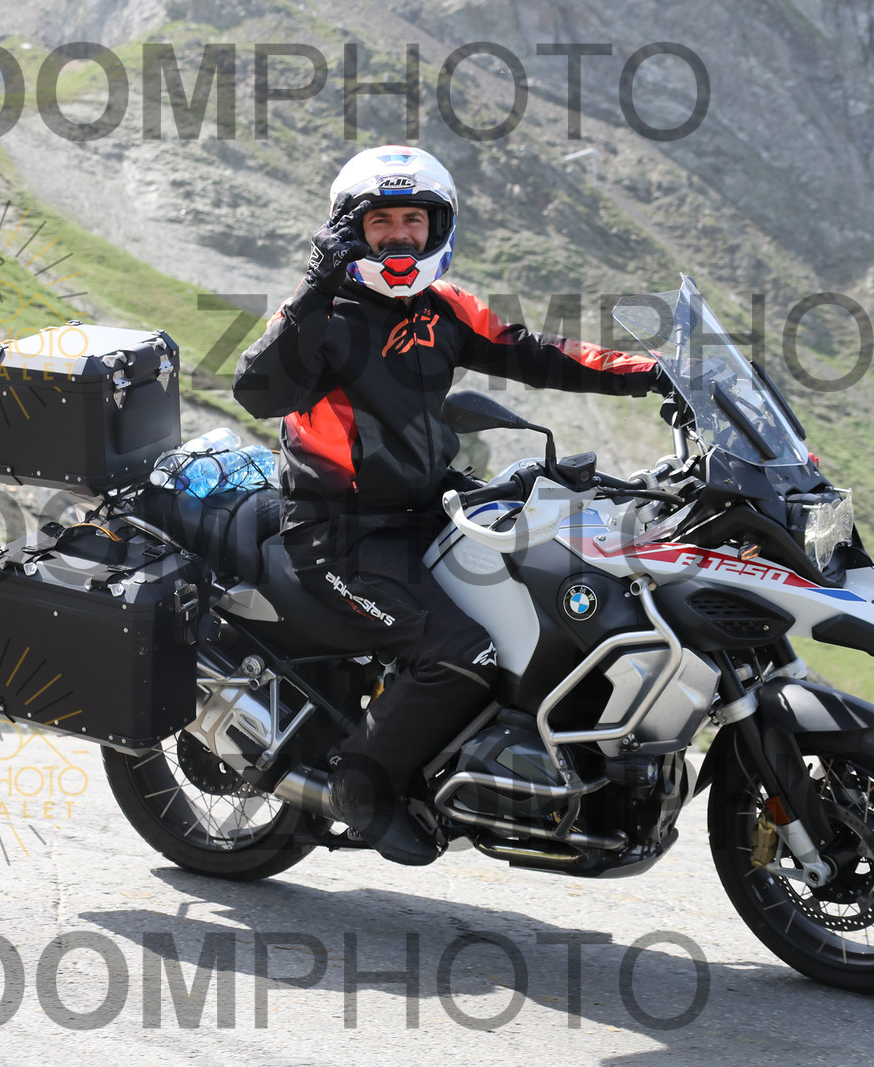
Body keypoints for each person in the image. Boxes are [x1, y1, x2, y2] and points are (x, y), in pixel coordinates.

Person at [232, 145, 665, 865]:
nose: (399, 236)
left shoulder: (446, 307)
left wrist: (652, 374)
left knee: (545, 601)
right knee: (462, 652)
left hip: (429, 511)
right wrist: (314, 285)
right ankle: (362, 786)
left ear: (437, 228)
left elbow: (536, 352)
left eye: (414, 220)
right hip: (340, 534)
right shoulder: (323, 314)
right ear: (349, 229)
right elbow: (258, 391)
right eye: (380, 222)